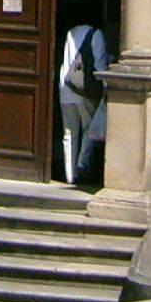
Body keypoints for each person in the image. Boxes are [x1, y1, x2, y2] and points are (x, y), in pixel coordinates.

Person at [57, 21, 109, 185]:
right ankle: (81, 165)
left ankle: (69, 175)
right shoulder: (96, 34)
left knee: (69, 133)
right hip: (85, 92)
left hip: (66, 89)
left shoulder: (71, 32)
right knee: (89, 128)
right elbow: (100, 63)